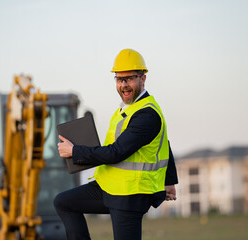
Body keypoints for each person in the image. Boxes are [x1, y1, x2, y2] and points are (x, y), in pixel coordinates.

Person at [54, 48, 178, 240]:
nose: (124, 85)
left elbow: (116, 153)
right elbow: (164, 144)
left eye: (129, 79)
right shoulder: (127, 109)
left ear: (143, 78)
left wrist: (75, 151)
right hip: (109, 187)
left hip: (130, 195)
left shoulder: (147, 114)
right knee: (63, 202)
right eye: (120, 79)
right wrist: (169, 180)